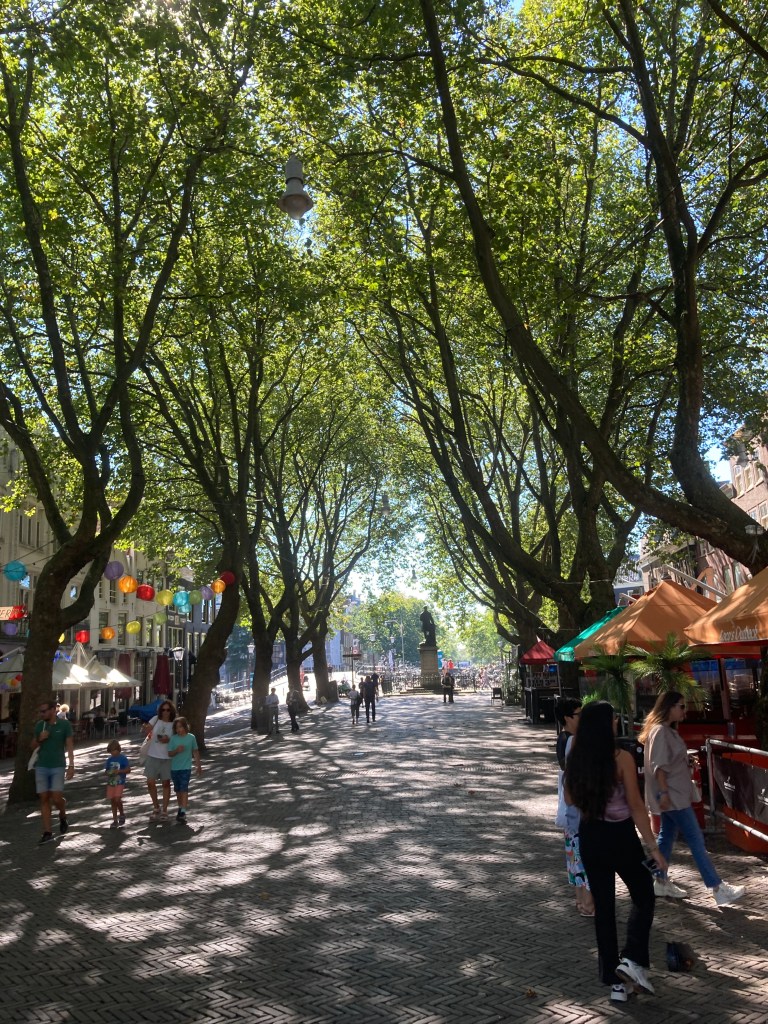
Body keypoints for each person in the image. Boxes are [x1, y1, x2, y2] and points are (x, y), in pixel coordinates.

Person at [564, 700, 667, 1004]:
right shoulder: (621, 758)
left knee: (605, 910)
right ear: (604, 724)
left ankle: (616, 982)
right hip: (621, 836)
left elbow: (569, 799)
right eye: (612, 719)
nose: (615, 723)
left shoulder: (577, 757)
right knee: (644, 894)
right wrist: (653, 847)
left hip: (590, 836)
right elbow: (636, 805)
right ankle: (632, 959)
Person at [639, 691, 745, 907]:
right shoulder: (661, 731)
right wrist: (664, 793)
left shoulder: (664, 730)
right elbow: (659, 767)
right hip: (674, 797)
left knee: (667, 836)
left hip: (673, 796)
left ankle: (660, 880)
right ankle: (716, 887)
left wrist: (685, 764)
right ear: (669, 707)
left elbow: (664, 763)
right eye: (681, 706)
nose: (684, 710)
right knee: (695, 840)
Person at [554, 698, 594, 917]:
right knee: (583, 855)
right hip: (577, 805)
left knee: (573, 855)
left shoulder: (563, 739)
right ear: (567, 718)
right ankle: (587, 902)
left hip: (569, 807)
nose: (582, 718)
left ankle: (580, 900)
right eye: (579, 714)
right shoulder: (573, 741)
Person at [32, 699, 75, 845]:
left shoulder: (64, 725)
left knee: (56, 798)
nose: (42, 714)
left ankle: (62, 815)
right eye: (40, 711)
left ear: (53, 710)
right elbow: (32, 746)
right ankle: (47, 832)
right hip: (42, 766)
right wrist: (40, 738)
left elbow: (69, 745)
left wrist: (71, 765)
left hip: (58, 766)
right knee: (44, 798)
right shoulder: (40, 725)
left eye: (44, 711)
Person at [143, 700, 176, 821]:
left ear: (171, 711)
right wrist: (146, 728)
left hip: (167, 757)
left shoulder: (174, 723)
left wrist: (169, 740)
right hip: (153, 755)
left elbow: (179, 738)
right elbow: (147, 729)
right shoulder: (156, 719)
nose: (165, 712)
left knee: (166, 783)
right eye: (163, 710)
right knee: (150, 781)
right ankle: (156, 806)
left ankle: (165, 810)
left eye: (168, 710)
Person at [167, 716, 202, 823]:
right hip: (175, 768)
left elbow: (195, 751)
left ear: (185, 726)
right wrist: (176, 750)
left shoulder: (191, 737)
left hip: (186, 768)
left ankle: (183, 811)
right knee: (178, 790)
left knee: (184, 788)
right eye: (177, 727)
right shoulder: (173, 739)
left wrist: (198, 765)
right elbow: (169, 753)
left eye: (180, 727)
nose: (179, 729)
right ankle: (180, 807)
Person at [104, 739, 131, 828]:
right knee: (112, 800)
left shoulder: (123, 758)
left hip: (120, 782)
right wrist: (109, 772)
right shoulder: (109, 760)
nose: (113, 752)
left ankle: (122, 813)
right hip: (111, 782)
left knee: (117, 799)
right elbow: (106, 771)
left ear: (118, 749)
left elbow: (128, 770)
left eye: (114, 750)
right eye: (111, 751)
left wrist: (119, 771)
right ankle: (115, 819)